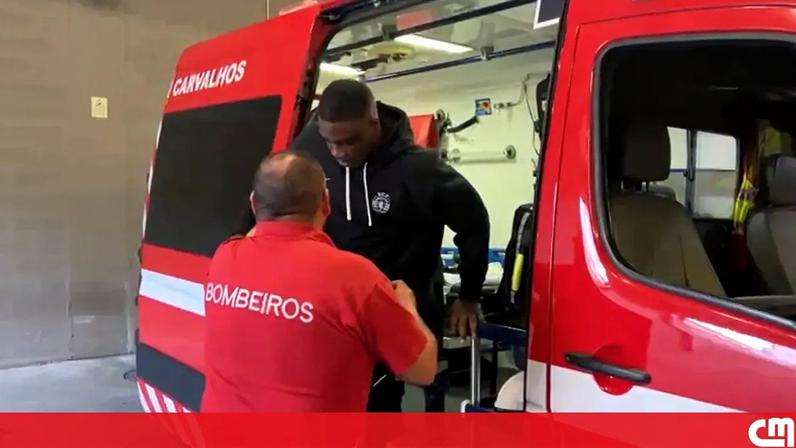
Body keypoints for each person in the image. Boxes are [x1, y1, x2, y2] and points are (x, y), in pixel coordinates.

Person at [292, 79, 490, 412]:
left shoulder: (421, 170)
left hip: (401, 306)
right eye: (331, 143)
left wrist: (469, 295)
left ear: (375, 124)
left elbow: (474, 223)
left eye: (350, 142)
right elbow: (272, 188)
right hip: (340, 311)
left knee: (389, 403)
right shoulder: (313, 144)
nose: (339, 152)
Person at [201, 150, 437, 412]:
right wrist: (407, 305)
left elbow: (257, 235)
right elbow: (423, 370)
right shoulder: (356, 279)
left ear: (255, 204)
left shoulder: (225, 257)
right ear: (326, 203)